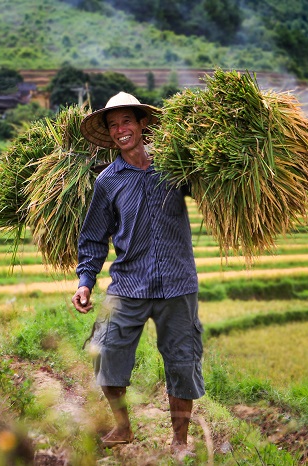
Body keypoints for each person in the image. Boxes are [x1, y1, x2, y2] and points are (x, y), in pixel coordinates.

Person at [71, 92, 205, 458]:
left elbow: (212, 188)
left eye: (126, 121)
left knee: (182, 359)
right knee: (106, 349)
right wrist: (85, 282)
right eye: (113, 125)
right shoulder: (108, 181)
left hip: (177, 282)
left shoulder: (173, 167)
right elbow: (94, 238)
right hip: (129, 282)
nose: (120, 130)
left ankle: (180, 442)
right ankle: (123, 426)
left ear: (142, 124)